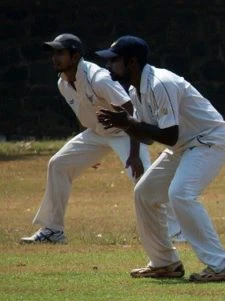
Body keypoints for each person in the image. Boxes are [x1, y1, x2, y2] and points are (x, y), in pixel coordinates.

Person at [95, 35, 225, 282]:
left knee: (181, 194)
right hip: (185, 145)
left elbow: (169, 135)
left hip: (209, 140)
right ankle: (164, 262)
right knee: (145, 193)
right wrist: (128, 126)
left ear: (131, 62)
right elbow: (150, 137)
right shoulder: (135, 88)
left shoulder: (160, 83)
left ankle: (221, 266)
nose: (108, 66)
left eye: (114, 60)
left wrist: (129, 123)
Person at [21, 33, 146, 245]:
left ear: (76, 55)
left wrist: (135, 154)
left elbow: (130, 108)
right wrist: (87, 151)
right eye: (53, 53)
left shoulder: (98, 78)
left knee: (143, 179)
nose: (55, 58)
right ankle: (53, 230)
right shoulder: (63, 82)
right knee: (58, 164)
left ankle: (176, 230)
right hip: (96, 134)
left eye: (60, 52)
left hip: (124, 132)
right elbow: (83, 112)